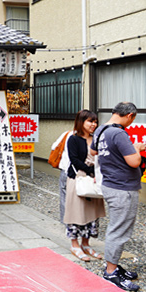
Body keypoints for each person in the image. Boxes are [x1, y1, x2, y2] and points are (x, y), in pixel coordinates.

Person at [90, 102, 146, 292]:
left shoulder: (100, 130)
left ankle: (112, 265)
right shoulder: (119, 133)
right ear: (130, 115)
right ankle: (111, 272)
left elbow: (93, 152)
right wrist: (137, 148)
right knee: (119, 229)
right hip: (123, 188)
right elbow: (134, 161)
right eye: (133, 119)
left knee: (117, 227)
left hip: (110, 184)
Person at [63, 110, 105, 262]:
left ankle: (86, 244)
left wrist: (97, 174)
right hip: (78, 178)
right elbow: (74, 159)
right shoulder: (73, 139)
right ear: (81, 122)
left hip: (94, 179)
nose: (94, 124)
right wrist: (91, 172)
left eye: (95, 121)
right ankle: (74, 245)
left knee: (91, 213)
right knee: (76, 212)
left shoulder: (97, 139)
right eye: (90, 121)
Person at [51, 127, 74, 224]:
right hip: (79, 171)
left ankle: (65, 220)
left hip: (65, 168)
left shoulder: (67, 134)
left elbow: (54, 147)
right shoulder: (90, 137)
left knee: (64, 195)